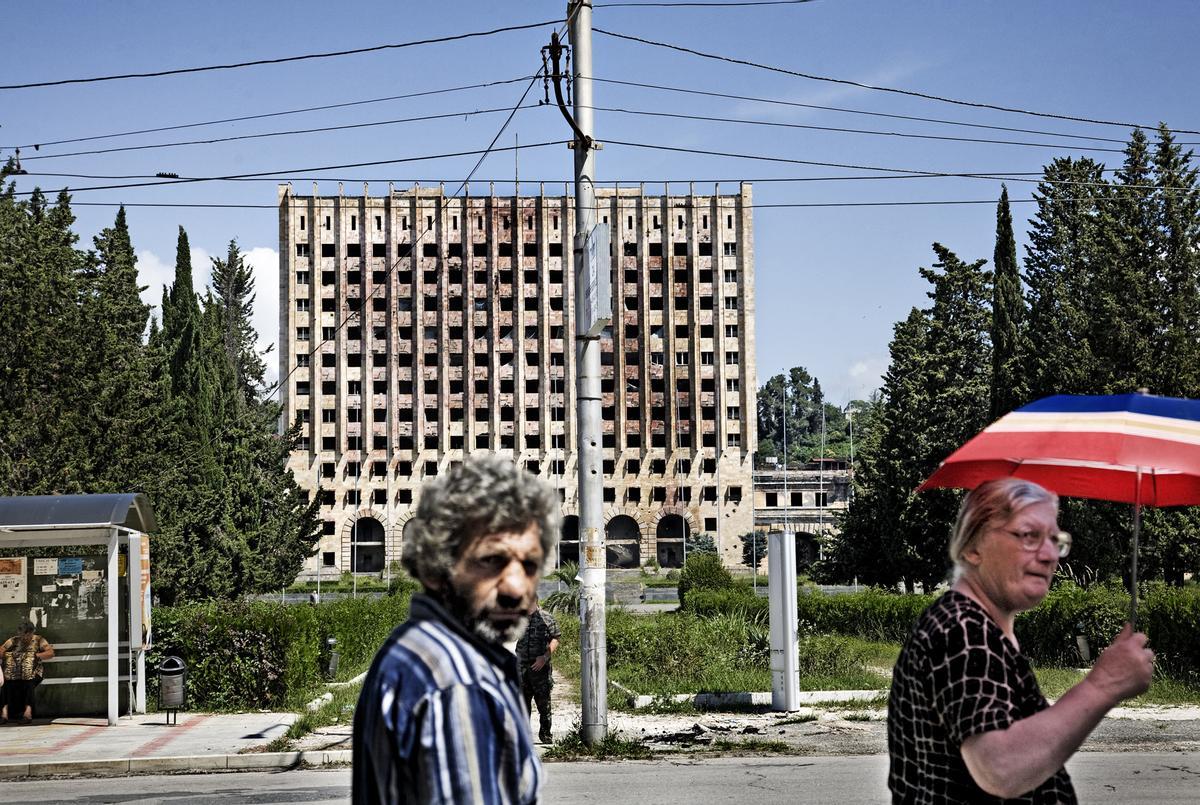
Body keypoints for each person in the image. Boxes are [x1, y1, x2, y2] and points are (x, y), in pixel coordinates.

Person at [888, 477, 1155, 803]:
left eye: (1055, 539)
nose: (1049, 555)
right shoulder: (963, 630)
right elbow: (1000, 766)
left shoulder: (976, 627)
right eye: (1029, 536)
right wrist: (1104, 684)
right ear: (973, 547)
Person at [352, 455, 560, 805]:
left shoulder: (407, 650)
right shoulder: (459, 685)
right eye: (492, 560)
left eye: (528, 564)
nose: (515, 587)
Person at [516, 600, 560, 743]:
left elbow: (555, 638)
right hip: (522, 668)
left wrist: (545, 657)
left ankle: (545, 734)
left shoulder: (546, 617)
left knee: (543, 704)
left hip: (540, 668)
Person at [0, 621, 54, 725]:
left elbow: (50, 653)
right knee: (5, 683)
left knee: (29, 683)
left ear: (32, 632)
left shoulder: (39, 640)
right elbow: (1, 650)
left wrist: (36, 656)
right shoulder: (13, 640)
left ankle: (27, 713)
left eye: (27, 634)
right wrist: (7, 656)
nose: (24, 637)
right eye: (22, 634)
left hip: (35, 672)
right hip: (15, 673)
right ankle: (3, 714)